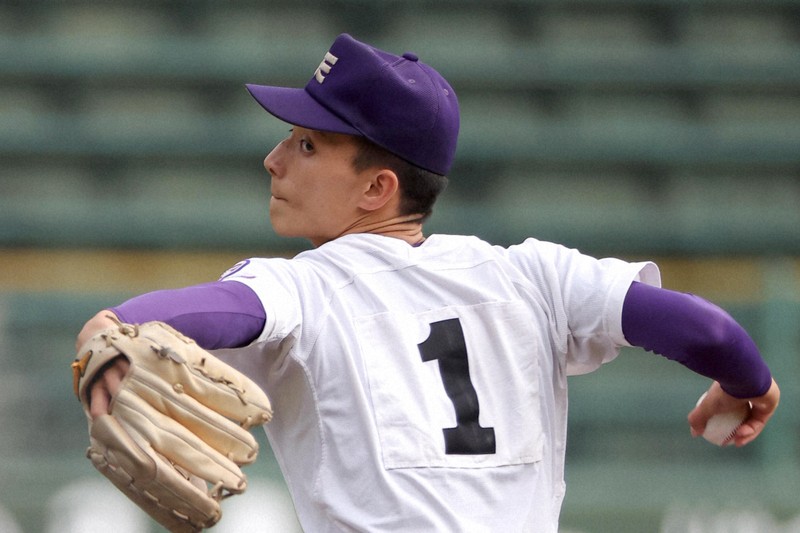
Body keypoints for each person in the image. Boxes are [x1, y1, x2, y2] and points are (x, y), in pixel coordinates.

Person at [76, 33, 780, 532]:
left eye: (308, 144)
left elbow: (218, 309)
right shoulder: (532, 274)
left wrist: (111, 321)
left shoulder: (305, 287)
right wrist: (748, 383)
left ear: (377, 187)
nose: (275, 158)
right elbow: (705, 329)